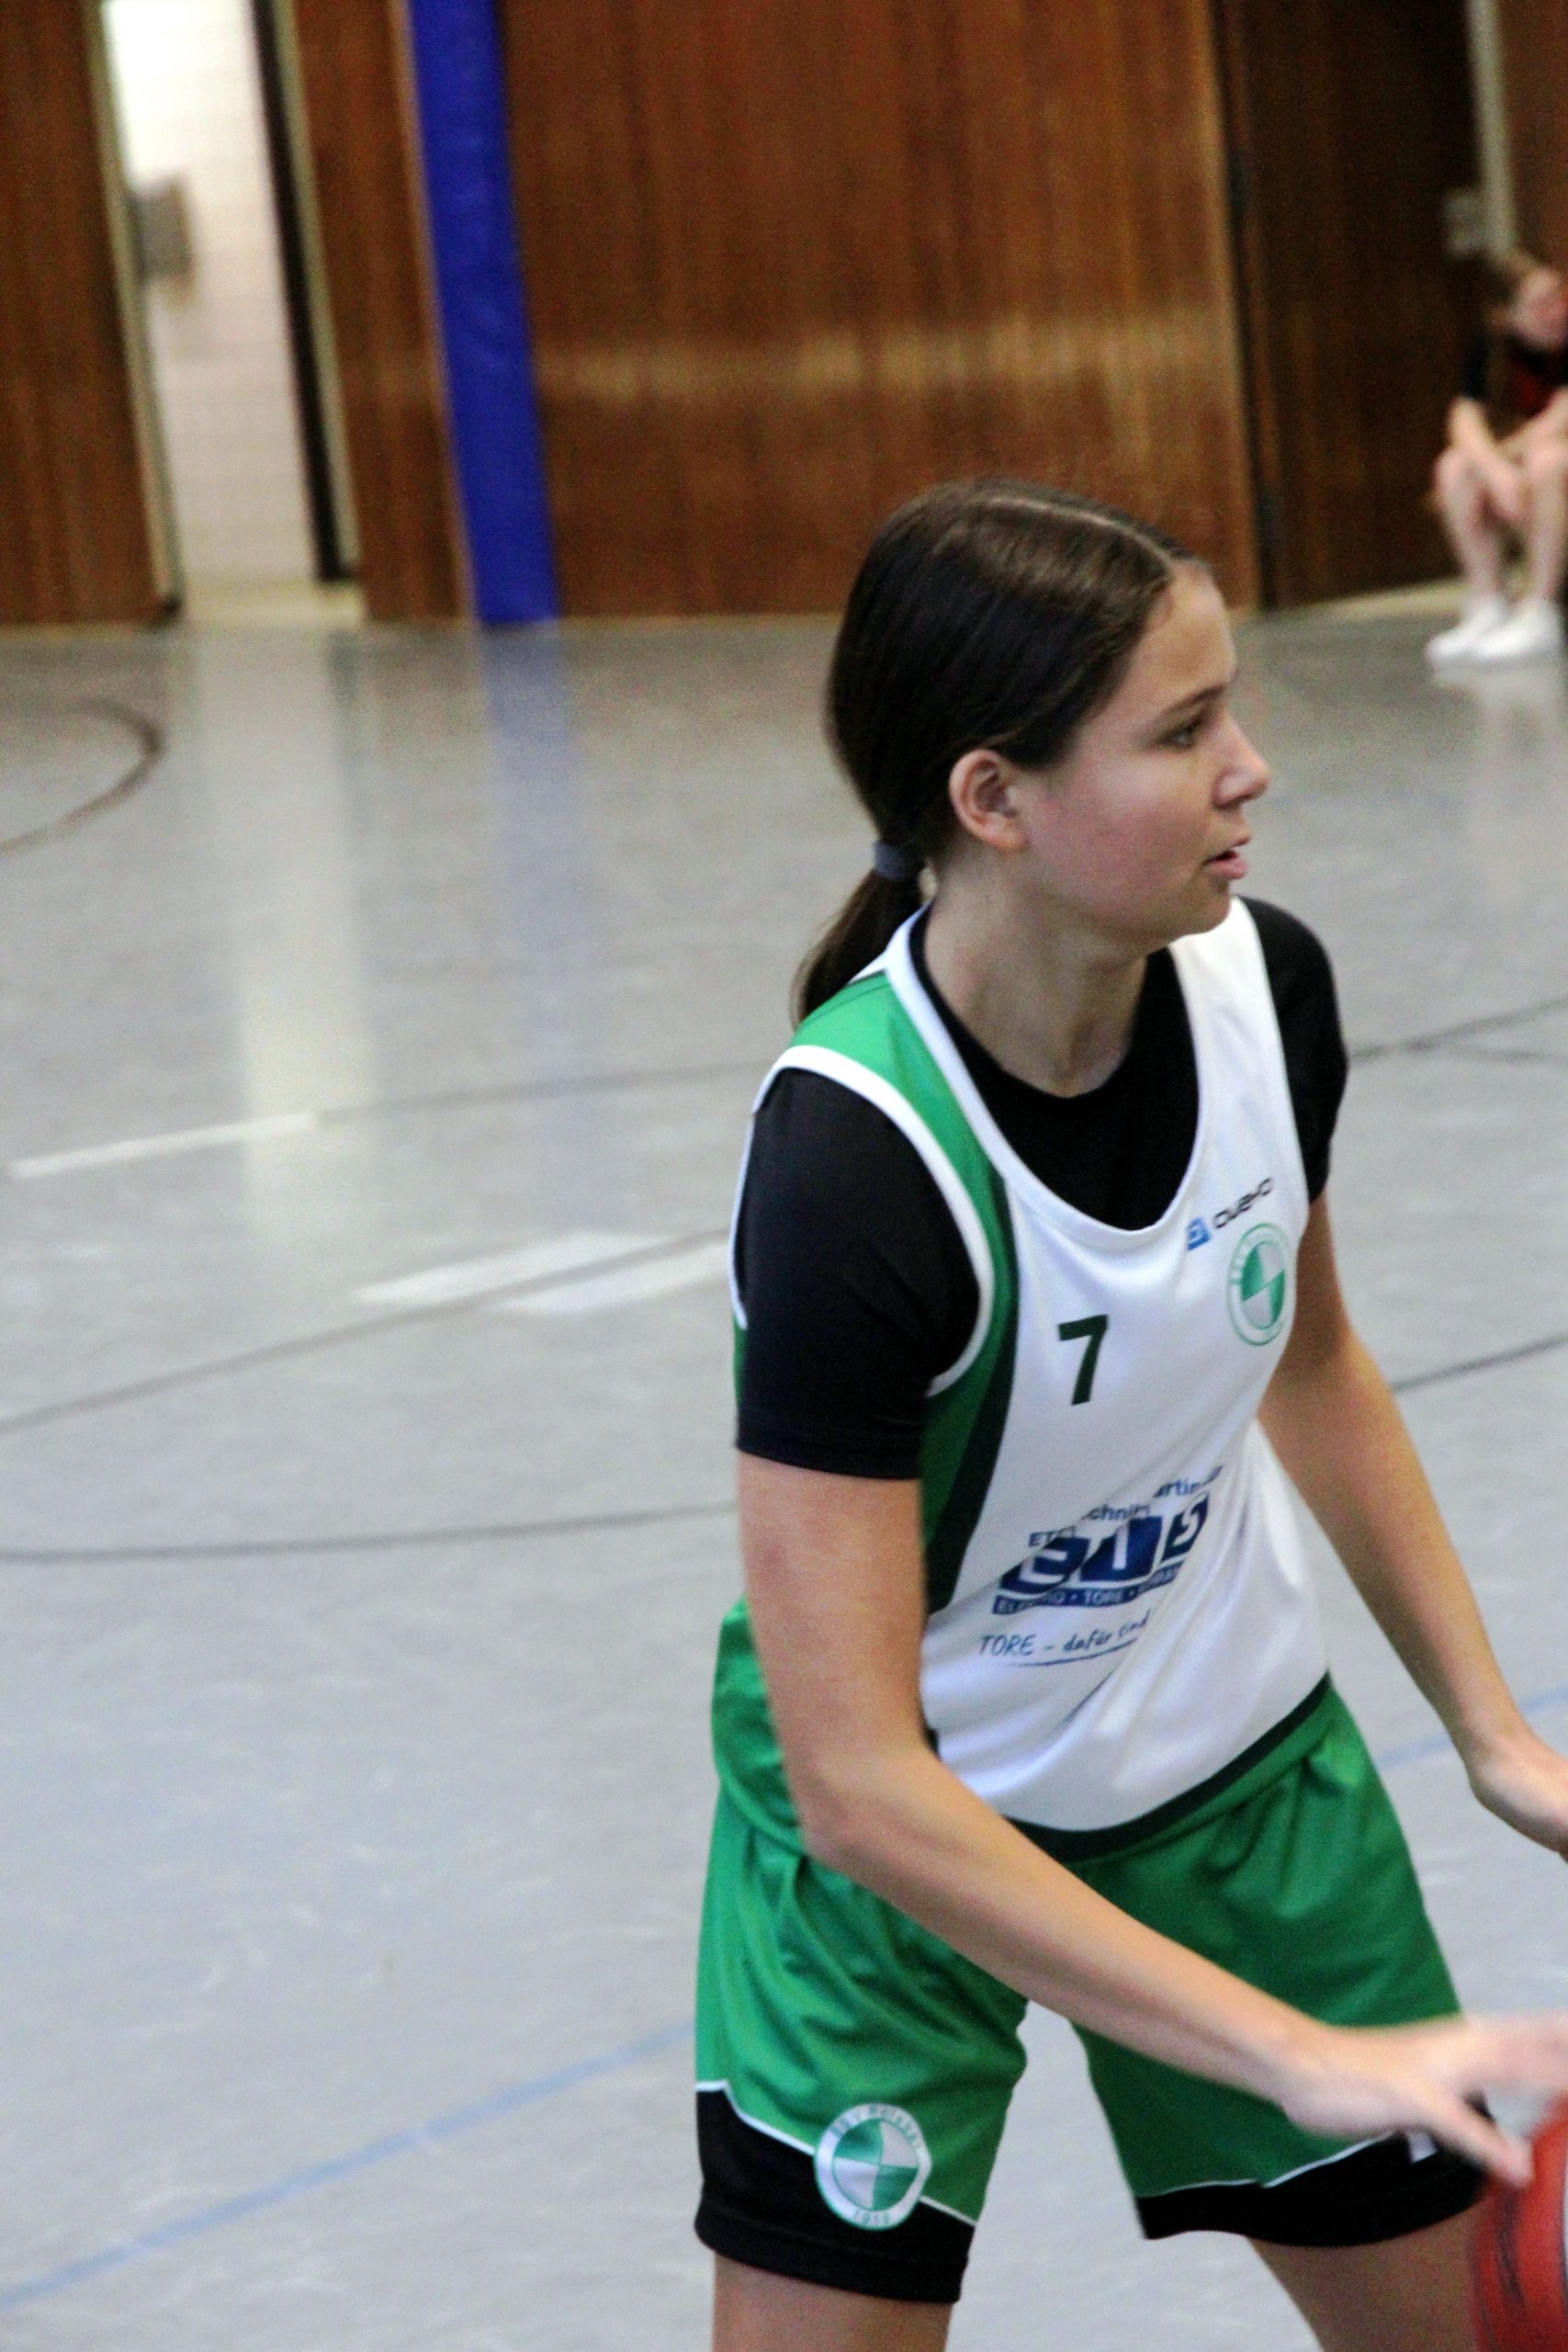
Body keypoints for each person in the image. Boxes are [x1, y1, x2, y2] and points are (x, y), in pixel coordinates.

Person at [694, 481, 1568, 2352]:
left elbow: (1309, 1361)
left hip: (1230, 1777)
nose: (1249, 768)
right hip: (900, 1851)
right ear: (992, 797)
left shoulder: (1267, 986)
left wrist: (1494, 1735)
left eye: (1227, 707)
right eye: (1180, 733)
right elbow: (856, 1780)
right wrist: (1288, 2051)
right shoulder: (855, 1163)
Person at [1427, 250, 1568, 664]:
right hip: (1526, 457)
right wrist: (1496, 472)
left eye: (1559, 296)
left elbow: (1560, 418)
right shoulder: (1492, 349)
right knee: (1455, 467)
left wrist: (1506, 463)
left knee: (1547, 460)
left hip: (1549, 457)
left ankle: (1541, 608)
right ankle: (1488, 603)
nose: (1557, 311)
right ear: (1507, 317)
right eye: (1540, 305)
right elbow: (1464, 417)